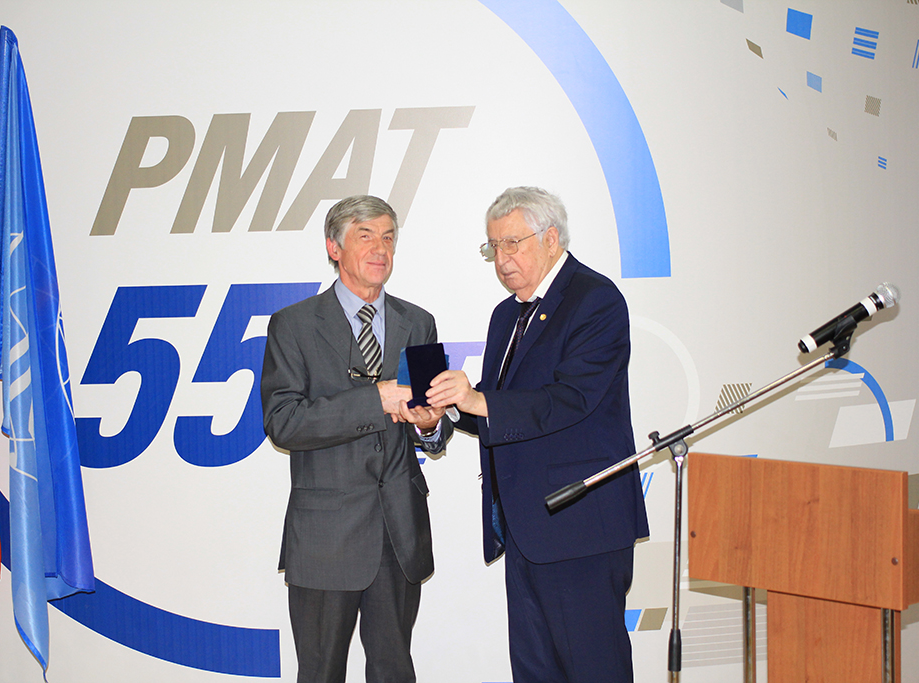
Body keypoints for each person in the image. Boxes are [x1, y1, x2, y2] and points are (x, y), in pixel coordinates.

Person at [426, 187, 649, 683]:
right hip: (525, 528)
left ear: (551, 239)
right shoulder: (507, 314)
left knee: (594, 670)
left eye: (512, 244)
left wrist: (477, 400)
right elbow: (500, 408)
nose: (502, 259)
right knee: (534, 672)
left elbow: (570, 399)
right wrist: (447, 408)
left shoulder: (595, 300)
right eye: (493, 247)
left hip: (580, 525)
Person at [261, 195, 449, 683]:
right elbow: (283, 422)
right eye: (365, 236)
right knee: (321, 672)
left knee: (394, 670)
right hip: (325, 536)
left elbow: (433, 423)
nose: (380, 248)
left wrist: (429, 424)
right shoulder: (294, 325)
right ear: (334, 247)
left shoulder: (418, 322)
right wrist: (375, 400)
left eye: (388, 237)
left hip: (398, 531)